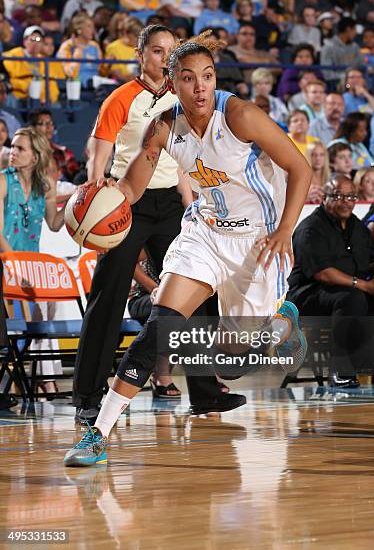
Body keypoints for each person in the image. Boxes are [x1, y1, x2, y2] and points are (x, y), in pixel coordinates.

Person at [64, 31, 312, 467]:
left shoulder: (239, 115)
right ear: (171, 82)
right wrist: (97, 204)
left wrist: (286, 229)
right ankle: (97, 433)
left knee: (234, 367)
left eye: (208, 76)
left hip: (256, 240)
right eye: (188, 78)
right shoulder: (162, 126)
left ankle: (280, 327)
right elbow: (130, 189)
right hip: (204, 232)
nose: (200, 87)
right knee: (159, 328)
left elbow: (299, 167)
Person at [70, 24, 235, 428]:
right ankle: (88, 398)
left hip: (169, 204)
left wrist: (187, 195)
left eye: (170, 51)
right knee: (107, 298)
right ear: (140, 54)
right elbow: (101, 152)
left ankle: (205, 392)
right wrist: (97, 195)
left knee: (196, 295)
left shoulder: (180, 99)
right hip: (129, 202)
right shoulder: (121, 98)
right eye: (157, 51)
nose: (164, 58)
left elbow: (177, 157)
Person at [287, 175, 374, 388]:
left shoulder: (356, 226)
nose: (346, 202)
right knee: (351, 298)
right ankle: (340, 369)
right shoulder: (310, 229)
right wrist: (364, 285)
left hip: (351, 290)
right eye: (339, 196)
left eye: (351, 197)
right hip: (309, 295)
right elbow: (322, 273)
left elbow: (371, 259)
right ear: (324, 197)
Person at [0, 127, 67, 394]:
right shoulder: (3, 181)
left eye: (20, 148)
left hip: (31, 265)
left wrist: (78, 205)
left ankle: (40, 379)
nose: (12, 152)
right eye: (13, 147)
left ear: (36, 156)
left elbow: (53, 224)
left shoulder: (46, 186)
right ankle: (14, 379)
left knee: (45, 315)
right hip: (7, 262)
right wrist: (14, 265)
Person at [127, 249, 181, 399]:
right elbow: (131, 263)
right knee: (170, 307)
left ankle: (212, 376)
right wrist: (156, 289)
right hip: (142, 298)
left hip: (174, 295)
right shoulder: (157, 237)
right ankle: (161, 375)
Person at [2, 25, 60, 104]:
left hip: (41, 100)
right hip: (19, 97)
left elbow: (52, 85)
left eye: (39, 40)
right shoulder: (12, 56)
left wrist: (49, 99)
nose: (36, 43)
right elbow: (8, 79)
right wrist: (27, 86)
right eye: (32, 39)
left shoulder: (44, 61)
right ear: (24, 41)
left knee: (56, 105)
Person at [28, 109, 79, 182]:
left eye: (51, 123)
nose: (49, 127)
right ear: (32, 128)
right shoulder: (27, 152)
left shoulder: (63, 152)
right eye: (42, 123)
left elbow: (76, 178)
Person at [57, 13, 102, 89]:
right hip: (76, 85)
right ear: (79, 30)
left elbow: (100, 69)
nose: (93, 30)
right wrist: (78, 52)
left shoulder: (95, 45)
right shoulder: (67, 46)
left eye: (93, 26)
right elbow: (68, 72)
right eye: (89, 26)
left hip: (96, 84)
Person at [320, 17, 365, 84]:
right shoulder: (328, 47)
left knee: (366, 84)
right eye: (354, 30)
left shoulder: (355, 47)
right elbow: (327, 74)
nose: (355, 33)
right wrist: (347, 77)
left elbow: (362, 65)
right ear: (348, 29)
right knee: (348, 86)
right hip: (337, 85)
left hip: (354, 82)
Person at [102, 16, 143, 83]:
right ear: (126, 32)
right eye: (136, 35)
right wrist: (133, 82)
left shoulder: (140, 48)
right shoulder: (113, 47)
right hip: (121, 85)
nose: (139, 39)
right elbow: (114, 71)